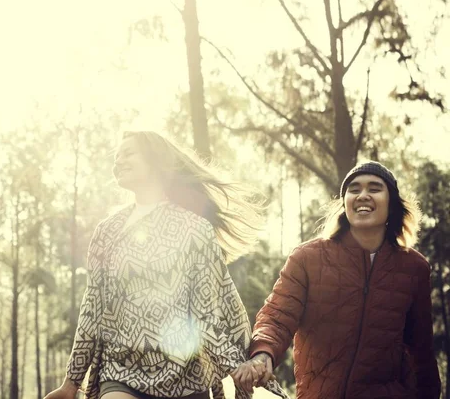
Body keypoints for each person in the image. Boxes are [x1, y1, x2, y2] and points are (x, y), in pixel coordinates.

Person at [44, 130, 287, 399]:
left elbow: (205, 315)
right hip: (121, 373)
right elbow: (92, 311)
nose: (118, 161)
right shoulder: (107, 232)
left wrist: (237, 364)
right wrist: (71, 382)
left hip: (185, 378)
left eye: (128, 153)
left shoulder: (194, 230)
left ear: (155, 160)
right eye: (116, 157)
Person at [231, 161, 441, 399]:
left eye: (374, 188)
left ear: (391, 203)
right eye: (354, 189)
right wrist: (263, 354)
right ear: (345, 204)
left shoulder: (415, 268)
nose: (362, 195)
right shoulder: (307, 258)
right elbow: (278, 315)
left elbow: (421, 352)